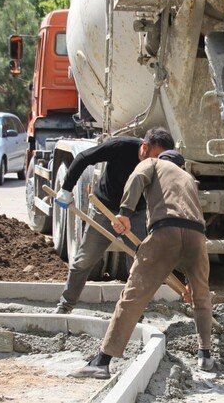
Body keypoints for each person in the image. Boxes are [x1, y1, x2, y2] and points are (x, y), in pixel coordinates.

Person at [73, 149, 214, 379]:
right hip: (197, 238)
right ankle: (205, 355)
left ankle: (102, 361)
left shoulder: (153, 163)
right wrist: (189, 279)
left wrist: (125, 212)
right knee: (201, 296)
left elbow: (137, 177)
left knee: (133, 296)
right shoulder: (189, 178)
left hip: (165, 231)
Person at [53, 127, 174, 314]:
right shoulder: (121, 147)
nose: (158, 162)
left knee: (139, 264)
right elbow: (84, 157)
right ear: (144, 147)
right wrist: (66, 188)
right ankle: (65, 305)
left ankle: (134, 312)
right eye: (156, 156)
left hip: (135, 215)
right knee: (84, 260)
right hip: (105, 210)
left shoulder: (161, 165)